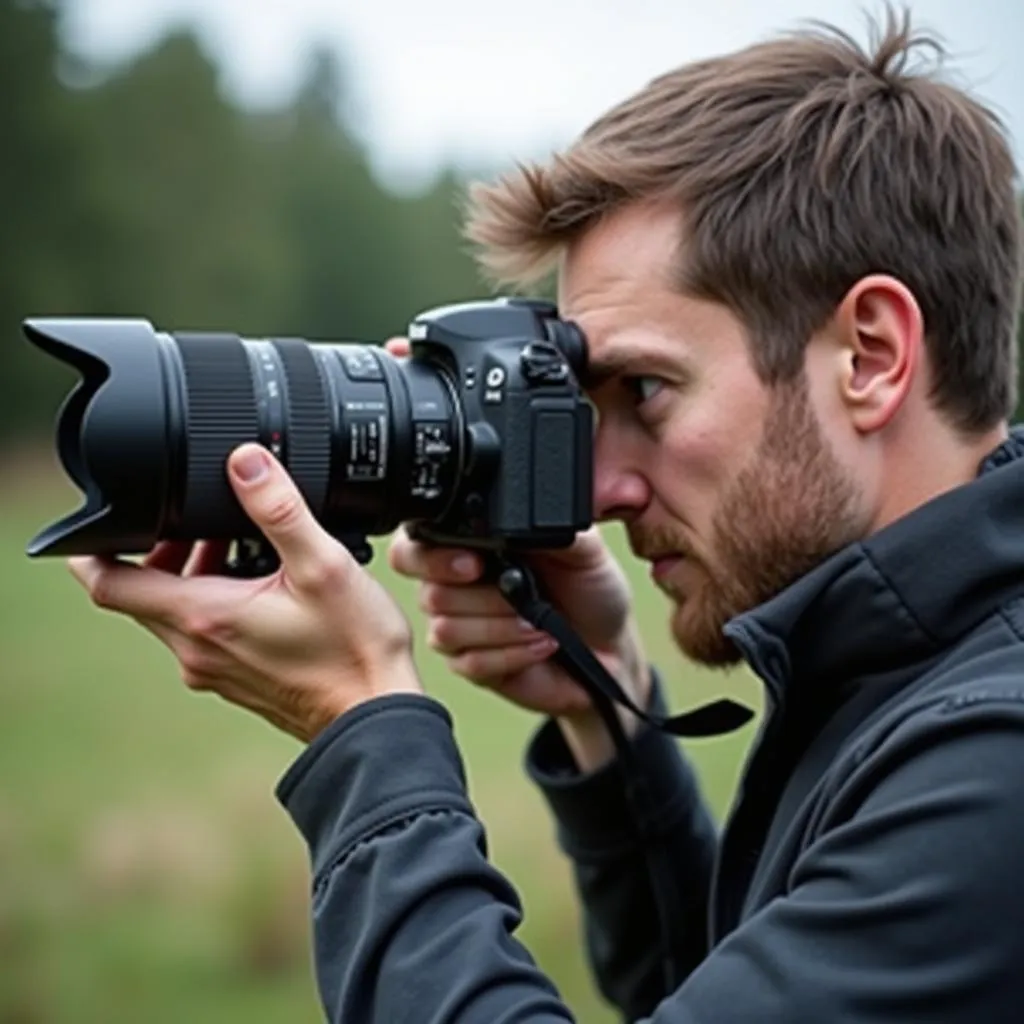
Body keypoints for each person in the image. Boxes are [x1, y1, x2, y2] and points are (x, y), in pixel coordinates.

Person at [66, 6, 1024, 1022]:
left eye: (645, 391)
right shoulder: (909, 663)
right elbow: (725, 990)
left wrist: (358, 724)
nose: (599, 493)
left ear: (869, 355)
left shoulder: (991, 763)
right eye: (578, 407)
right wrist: (603, 700)